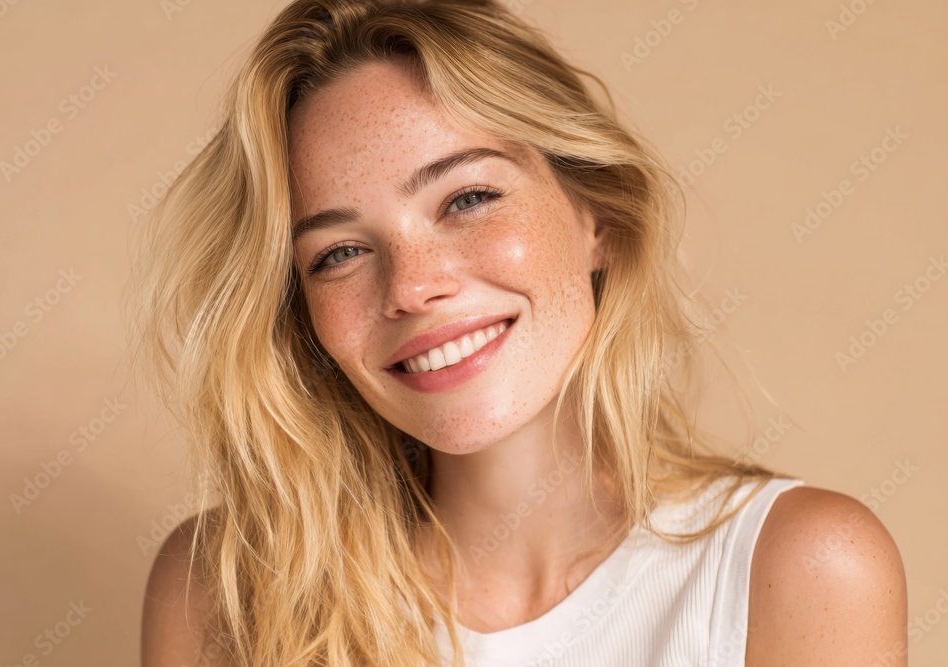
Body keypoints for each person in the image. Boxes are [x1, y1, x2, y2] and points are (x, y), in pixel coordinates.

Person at [133, 1, 908, 665]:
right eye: (339, 253)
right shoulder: (219, 592)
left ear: (596, 217)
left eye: (467, 198)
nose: (410, 287)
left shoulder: (805, 568)